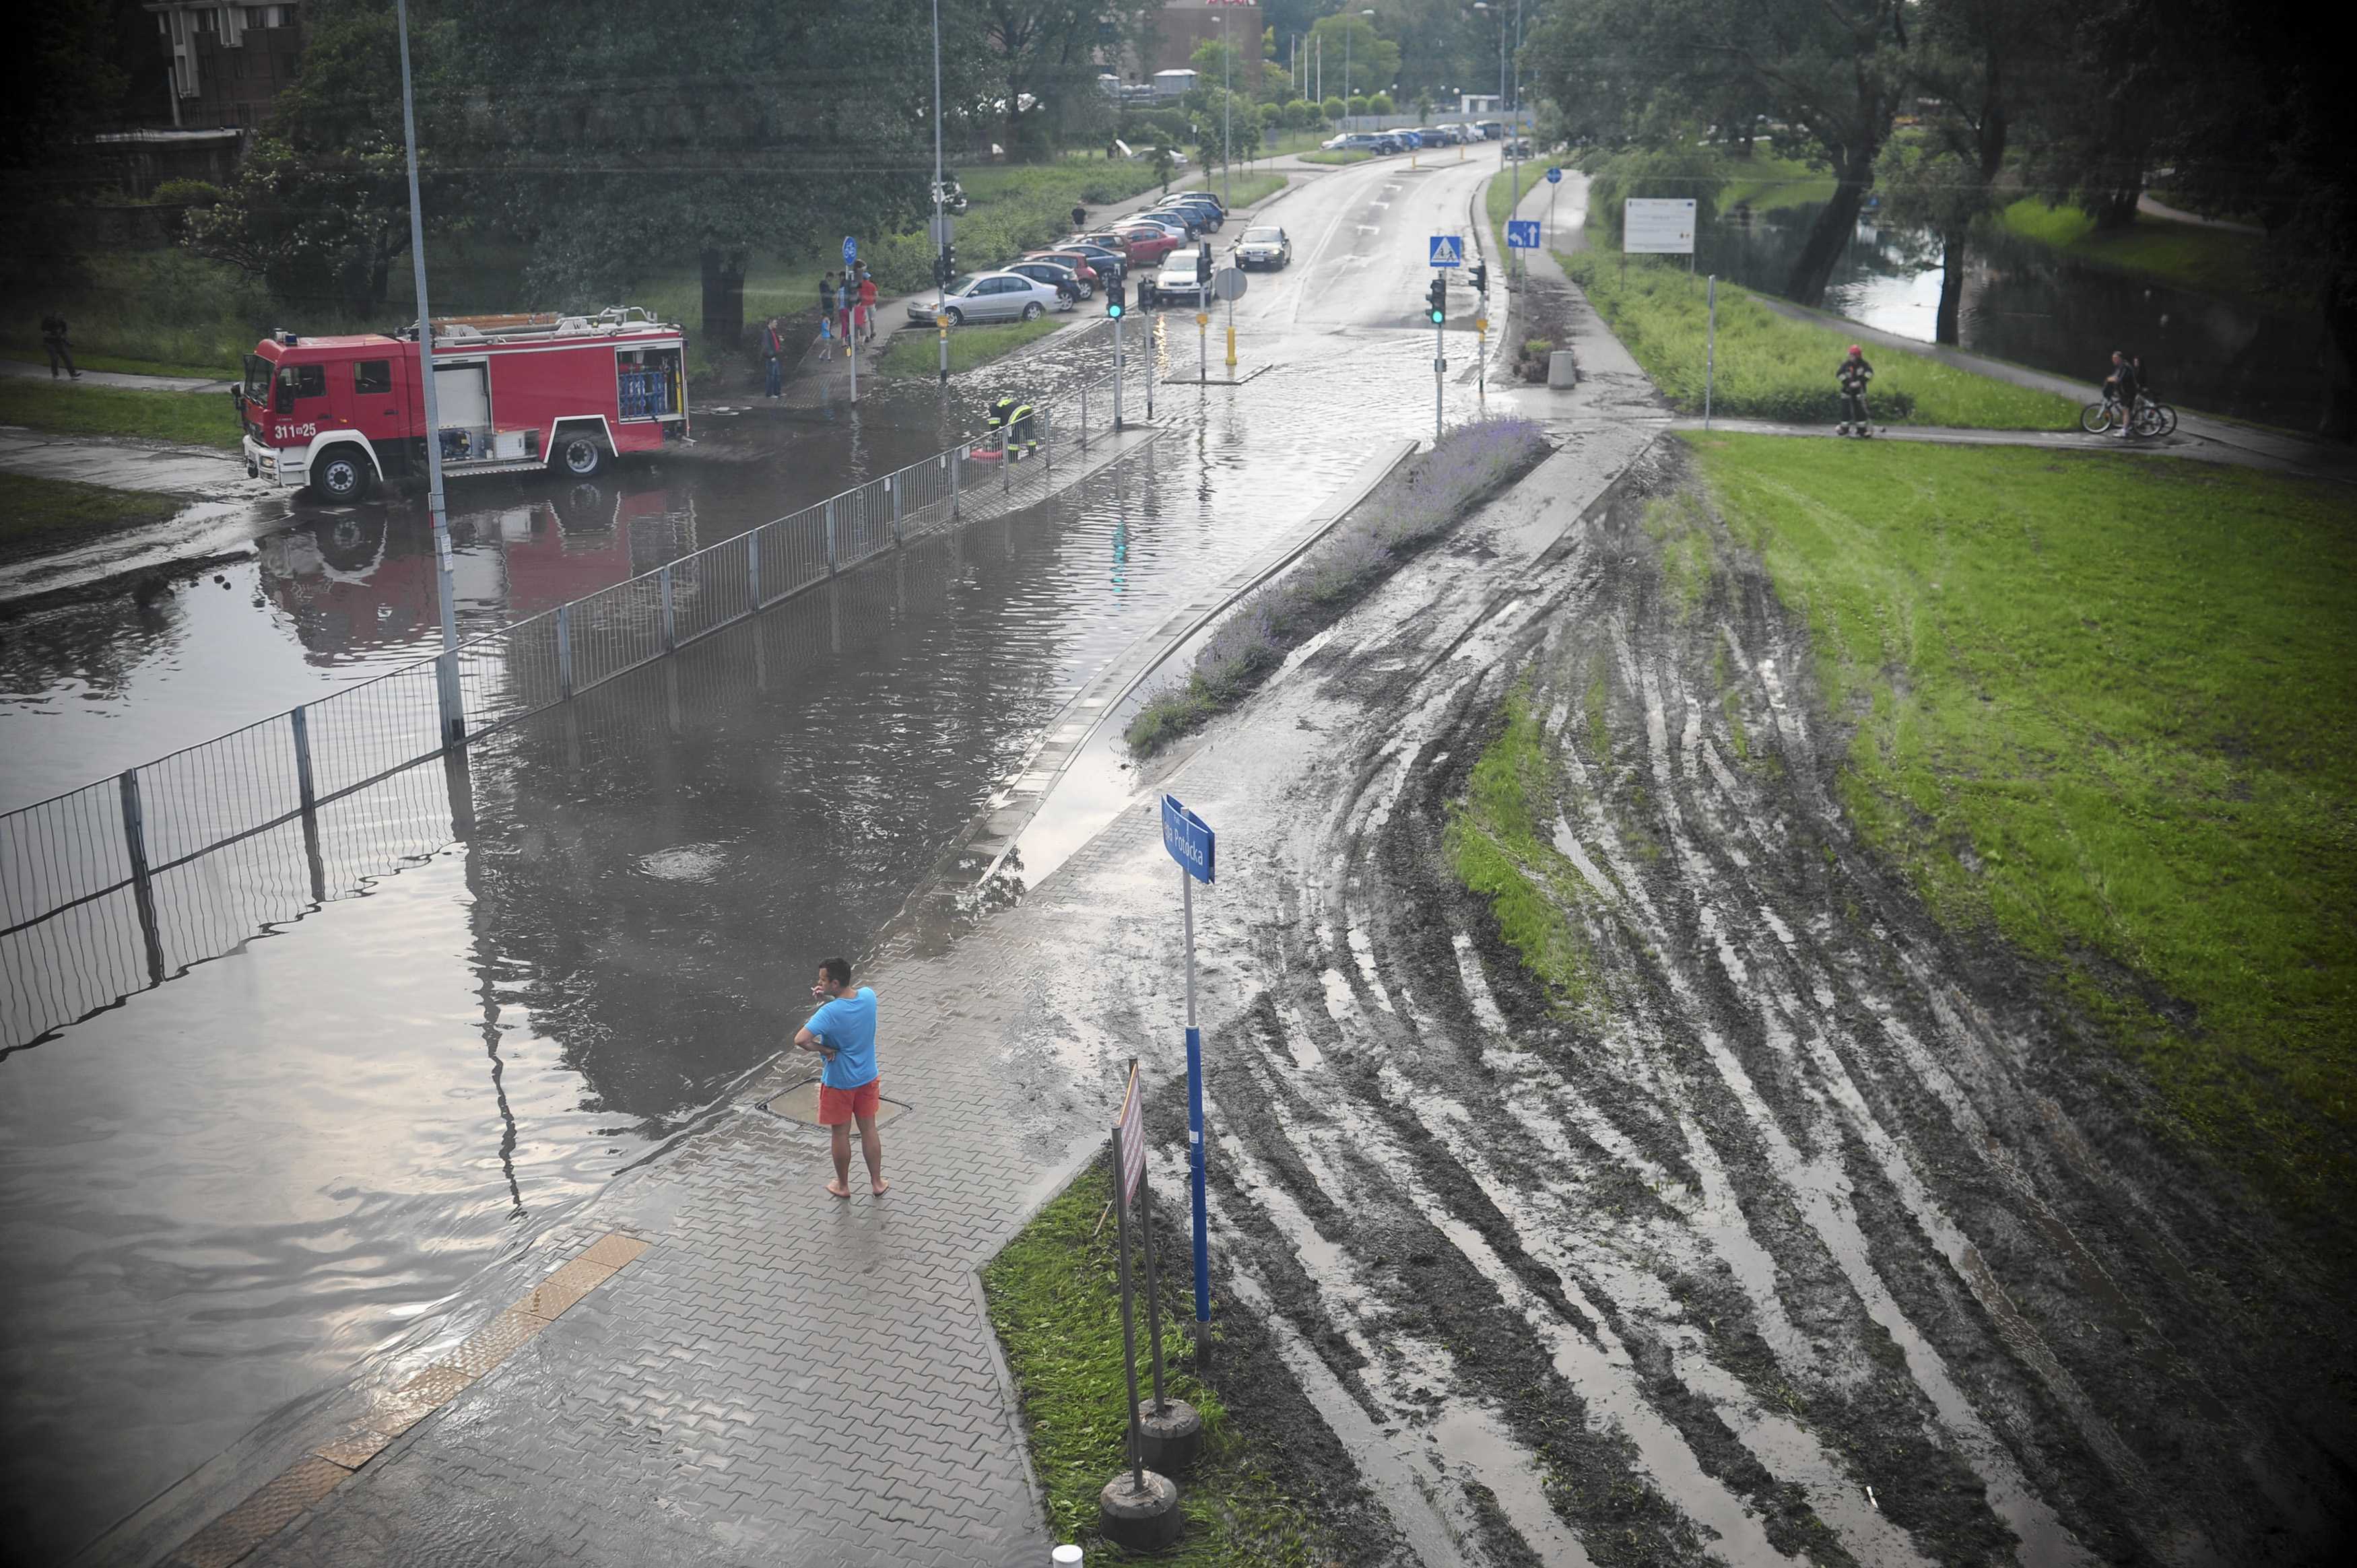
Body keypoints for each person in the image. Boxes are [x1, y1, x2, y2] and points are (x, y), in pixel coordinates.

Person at [795, 956, 886, 1198]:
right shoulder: (869, 996)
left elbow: (801, 1040)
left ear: (834, 983)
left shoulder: (829, 1013)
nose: (819, 983)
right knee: (869, 1130)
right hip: (868, 1077)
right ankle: (877, 1183)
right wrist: (827, 998)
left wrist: (825, 1050)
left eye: (823, 980)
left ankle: (843, 1185)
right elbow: (849, 1007)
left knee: (840, 1134)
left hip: (839, 1083)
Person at [1836, 345, 1874, 436]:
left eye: (1852, 355)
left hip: (1859, 392)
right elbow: (1839, 374)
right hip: (1847, 391)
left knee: (1860, 411)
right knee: (1846, 411)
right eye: (1850, 355)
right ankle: (1844, 429)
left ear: (1858, 356)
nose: (1851, 357)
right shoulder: (1846, 365)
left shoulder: (1864, 365)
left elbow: (1869, 373)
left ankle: (1862, 430)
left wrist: (1860, 382)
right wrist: (1848, 383)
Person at [2103, 349, 2141, 438]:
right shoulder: (2120, 366)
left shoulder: (2125, 367)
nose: (2114, 360)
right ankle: (2127, 427)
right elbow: (2115, 376)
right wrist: (2110, 379)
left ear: (2120, 358)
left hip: (2130, 391)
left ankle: (2124, 431)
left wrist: (2109, 379)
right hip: (2125, 392)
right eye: (2113, 358)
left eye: (2115, 358)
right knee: (2126, 410)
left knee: (2126, 410)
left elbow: (2119, 379)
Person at [40, 312, 79, 380]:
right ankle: (55, 375)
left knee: (67, 357)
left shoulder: (63, 323)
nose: (61, 318)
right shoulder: (49, 323)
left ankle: (73, 374)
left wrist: (67, 342)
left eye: (62, 316)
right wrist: (58, 337)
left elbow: (64, 334)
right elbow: (46, 335)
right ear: (55, 317)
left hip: (59, 343)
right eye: (59, 316)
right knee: (55, 358)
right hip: (49, 343)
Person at [762, 316, 787, 399]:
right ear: (770, 323)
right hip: (771, 357)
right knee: (771, 375)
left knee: (777, 375)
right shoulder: (766, 333)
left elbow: (774, 342)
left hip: (775, 356)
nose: (776, 324)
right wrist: (771, 356)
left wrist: (779, 340)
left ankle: (777, 392)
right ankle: (770, 394)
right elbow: (766, 346)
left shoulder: (773, 332)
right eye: (775, 323)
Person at [856, 269, 879, 343]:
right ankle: (872, 333)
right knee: (872, 319)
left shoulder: (860, 286)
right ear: (868, 278)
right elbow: (876, 295)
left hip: (863, 305)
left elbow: (858, 296)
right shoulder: (873, 285)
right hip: (871, 304)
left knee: (865, 322)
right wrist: (875, 302)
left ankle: (866, 337)